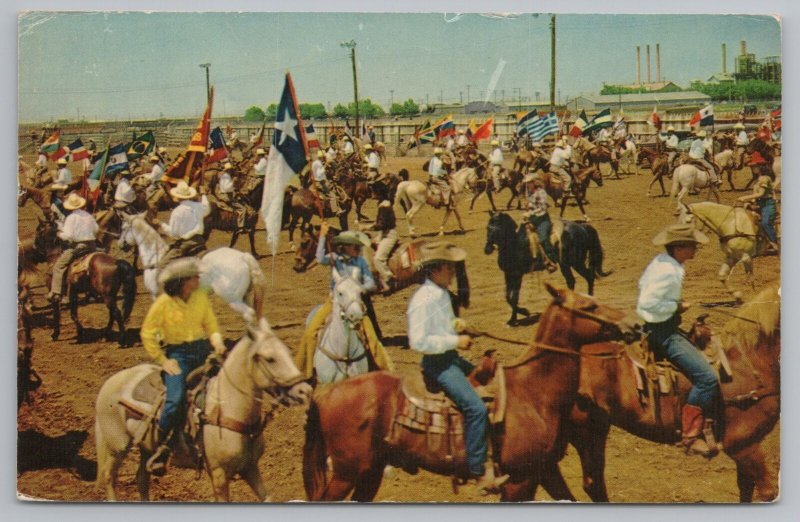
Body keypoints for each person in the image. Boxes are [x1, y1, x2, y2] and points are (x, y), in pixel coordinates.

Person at [407, 240, 510, 495]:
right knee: (475, 408)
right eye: (448, 268)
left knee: (490, 378)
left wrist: (457, 325)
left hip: (449, 357)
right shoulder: (423, 300)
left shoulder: (440, 293)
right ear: (434, 269)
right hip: (438, 364)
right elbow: (418, 341)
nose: (453, 272)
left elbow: (441, 324)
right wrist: (455, 340)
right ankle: (476, 470)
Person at [637, 223, 720, 458]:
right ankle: (690, 436)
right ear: (679, 247)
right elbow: (647, 304)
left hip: (661, 326)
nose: (696, 249)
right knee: (707, 378)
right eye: (692, 245)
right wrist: (677, 307)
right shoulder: (668, 271)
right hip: (663, 332)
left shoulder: (663, 262)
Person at [141, 257, 227, 476]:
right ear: (182, 282)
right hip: (178, 355)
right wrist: (163, 360)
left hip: (202, 350)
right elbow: (148, 333)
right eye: (194, 277)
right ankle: (162, 446)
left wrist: (217, 341)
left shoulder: (200, 297)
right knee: (175, 399)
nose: (199, 280)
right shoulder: (163, 303)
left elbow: (210, 324)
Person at [294, 222, 392, 378]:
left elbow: (371, 283)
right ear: (345, 246)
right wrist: (322, 236)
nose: (358, 249)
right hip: (333, 303)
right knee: (311, 331)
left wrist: (361, 288)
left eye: (358, 247)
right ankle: (307, 373)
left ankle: (383, 373)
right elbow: (319, 258)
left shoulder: (361, 262)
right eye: (355, 247)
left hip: (354, 304)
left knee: (372, 339)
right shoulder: (333, 259)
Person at [46, 192, 99, 303]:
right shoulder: (88, 215)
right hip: (92, 245)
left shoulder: (71, 218)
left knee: (59, 265)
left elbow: (68, 236)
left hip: (79, 246)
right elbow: (96, 229)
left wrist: (58, 234)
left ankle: (56, 292)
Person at [154, 181, 211, 267]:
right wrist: (203, 194)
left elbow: (174, 234)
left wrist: (160, 224)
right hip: (200, 241)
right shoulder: (198, 206)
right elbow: (206, 207)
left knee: (161, 267)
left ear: (178, 197)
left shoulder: (177, 211)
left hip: (186, 245)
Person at [523, 173, 558, 273]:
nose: (527, 185)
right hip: (532, 219)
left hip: (543, 220)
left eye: (529, 183)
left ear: (534, 183)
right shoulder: (529, 193)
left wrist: (530, 213)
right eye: (526, 183)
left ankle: (551, 261)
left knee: (543, 239)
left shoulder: (541, 192)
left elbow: (542, 208)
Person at [738, 169, 778, 250]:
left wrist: (745, 197)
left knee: (765, 223)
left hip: (767, 204)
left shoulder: (765, 179)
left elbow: (761, 194)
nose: (752, 168)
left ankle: (774, 242)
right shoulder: (757, 180)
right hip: (759, 203)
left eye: (754, 166)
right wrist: (750, 202)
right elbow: (756, 193)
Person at [371, 200, 398, 293]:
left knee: (378, 259)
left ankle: (389, 279)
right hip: (383, 234)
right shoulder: (385, 206)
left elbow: (381, 225)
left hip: (388, 235)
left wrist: (367, 227)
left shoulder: (384, 208)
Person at [216, 163, 247, 228]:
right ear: (229, 170)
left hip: (222, 194)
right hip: (226, 196)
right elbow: (226, 188)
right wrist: (233, 182)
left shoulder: (224, 175)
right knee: (242, 209)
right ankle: (240, 226)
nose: (232, 171)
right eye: (231, 170)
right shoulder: (226, 176)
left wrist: (234, 189)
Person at [311, 150, 341, 215]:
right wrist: (325, 166)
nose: (323, 159)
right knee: (333, 196)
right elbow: (319, 174)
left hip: (316, 182)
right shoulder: (318, 164)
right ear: (321, 157)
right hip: (320, 183)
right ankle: (335, 211)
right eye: (322, 157)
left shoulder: (315, 163)